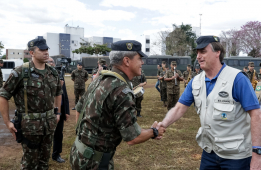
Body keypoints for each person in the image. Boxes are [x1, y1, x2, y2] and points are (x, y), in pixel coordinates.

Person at [156, 35, 261, 170]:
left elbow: (256, 115)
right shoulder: (196, 82)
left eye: (203, 52)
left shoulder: (237, 79)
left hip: (236, 156)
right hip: (209, 152)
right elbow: (179, 108)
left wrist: (258, 154)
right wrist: (163, 124)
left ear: (218, 52)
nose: (198, 56)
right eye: (197, 53)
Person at [69, 40, 165, 170]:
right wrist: (154, 131)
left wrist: (85, 138)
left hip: (79, 153)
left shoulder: (99, 79)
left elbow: (80, 110)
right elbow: (133, 137)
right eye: (139, 58)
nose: (142, 62)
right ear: (126, 61)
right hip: (95, 163)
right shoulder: (121, 90)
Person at [0, 37, 62, 169]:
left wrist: (57, 112)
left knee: (44, 162)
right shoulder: (20, 72)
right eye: (42, 50)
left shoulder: (53, 73)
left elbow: (58, 93)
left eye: (47, 49)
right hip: (30, 128)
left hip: (48, 125)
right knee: (30, 164)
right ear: (32, 53)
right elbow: (3, 96)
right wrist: (7, 122)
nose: (46, 52)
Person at [47, 57, 70, 163]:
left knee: (58, 134)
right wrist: (57, 87)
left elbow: (64, 95)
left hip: (59, 111)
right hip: (47, 111)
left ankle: (56, 154)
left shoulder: (59, 76)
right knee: (45, 135)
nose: (50, 63)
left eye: (52, 61)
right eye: (48, 61)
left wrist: (67, 111)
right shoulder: (41, 76)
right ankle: (44, 156)